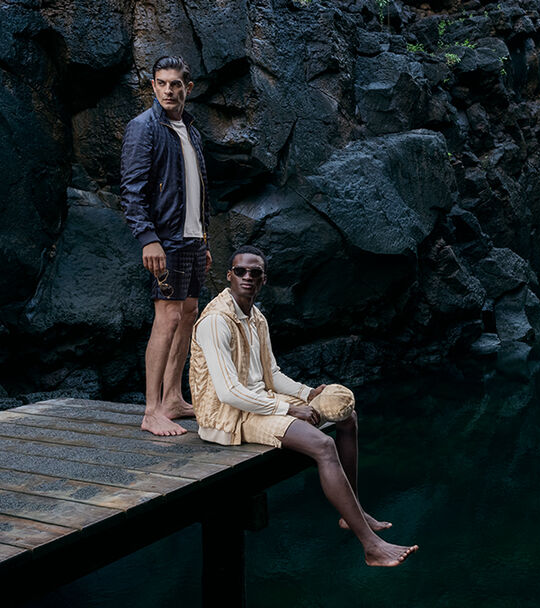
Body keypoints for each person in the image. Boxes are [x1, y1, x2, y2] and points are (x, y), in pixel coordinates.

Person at [189, 246, 418, 567]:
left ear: (263, 280)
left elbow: (274, 375)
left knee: (346, 416)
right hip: (230, 416)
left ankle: (351, 513)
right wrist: (289, 410)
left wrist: (309, 394)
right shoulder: (216, 321)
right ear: (229, 275)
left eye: (255, 273)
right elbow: (228, 393)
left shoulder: (257, 318)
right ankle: (371, 546)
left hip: (259, 401)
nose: (248, 277)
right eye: (240, 271)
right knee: (323, 446)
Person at [121, 55, 211, 436]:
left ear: (187, 88)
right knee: (168, 316)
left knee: (188, 312)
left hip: (191, 237)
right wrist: (148, 239)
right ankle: (151, 410)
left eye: (176, 84)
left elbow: (196, 189)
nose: (169, 90)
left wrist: (203, 238)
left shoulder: (191, 130)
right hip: (165, 240)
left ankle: (173, 397)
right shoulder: (144, 128)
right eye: (161, 83)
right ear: (153, 86)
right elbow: (131, 190)